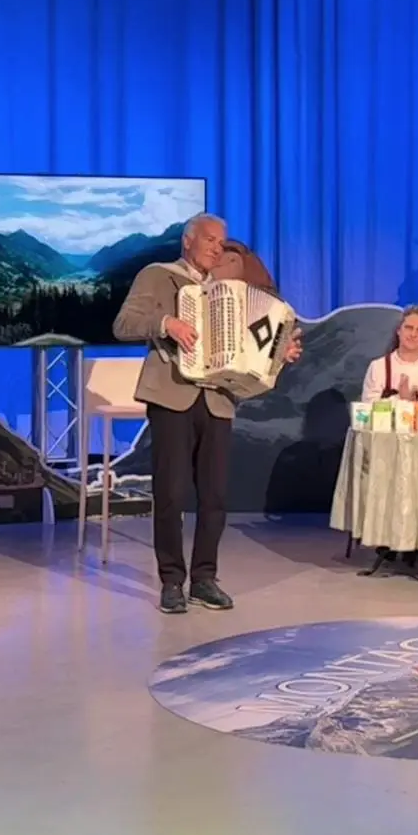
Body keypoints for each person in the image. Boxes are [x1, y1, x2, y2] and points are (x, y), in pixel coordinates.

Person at [112, 214, 302, 614]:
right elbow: (123, 323)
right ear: (188, 240)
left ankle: (204, 579)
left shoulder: (229, 292)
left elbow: (250, 349)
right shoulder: (158, 275)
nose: (217, 248)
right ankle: (171, 581)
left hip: (217, 400)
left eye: (222, 242)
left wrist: (278, 353)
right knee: (171, 493)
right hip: (172, 395)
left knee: (214, 496)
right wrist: (166, 323)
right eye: (210, 240)